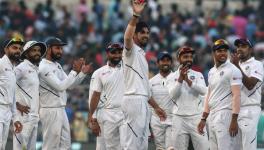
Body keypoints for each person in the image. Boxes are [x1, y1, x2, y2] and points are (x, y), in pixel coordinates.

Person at [122, 1, 165, 149]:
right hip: (133, 101)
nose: (146, 36)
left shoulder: (141, 55)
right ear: (135, 34)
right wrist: (136, 15)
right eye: (142, 33)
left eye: (147, 33)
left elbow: (145, 89)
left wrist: (156, 107)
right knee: (132, 145)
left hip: (143, 102)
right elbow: (126, 38)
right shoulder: (130, 51)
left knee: (142, 144)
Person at [38, 37, 92, 150]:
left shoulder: (57, 65)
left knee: (65, 145)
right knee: (50, 146)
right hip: (50, 110)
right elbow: (60, 86)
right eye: (57, 48)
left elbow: (70, 85)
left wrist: (82, 74)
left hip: (60, 109)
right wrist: (74, 71)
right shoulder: (43, 67)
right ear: (48, 49)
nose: (60, 51)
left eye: (61, 49)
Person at [197, 39, 242, 150]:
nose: (223, 53)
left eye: (225, 51)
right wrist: (203, 118)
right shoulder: (211, 71)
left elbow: (237, 95)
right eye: (219, 51)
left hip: (225, 114)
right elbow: (209, 95)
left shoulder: (233, 70)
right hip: (212, 115)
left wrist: (234, 120)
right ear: (213, 53)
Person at [168, 46, 209, 150]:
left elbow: (204, 91)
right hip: (178, 118)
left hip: (196, 118)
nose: (189, 59)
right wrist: (181, 79)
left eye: (191, 57)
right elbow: (173, 95)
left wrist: (189, 81)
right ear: (178, 59)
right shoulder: (171, 77)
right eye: (185, 56)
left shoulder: (198, 74)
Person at [88, 43, 125, 150]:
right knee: (106, 147)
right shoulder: (99, 73)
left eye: (119, 52)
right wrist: (93, 119)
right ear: (107, 54)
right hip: (106, 113)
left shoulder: (129, 69)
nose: (117, 55)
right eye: (113, 52)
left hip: (126, 113)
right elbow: (93, 96)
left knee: (127, 146)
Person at [231, 38, 263, 150]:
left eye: (243, 46)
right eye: (238, 46)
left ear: (250, 49)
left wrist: (236, 67)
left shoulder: (257, 64)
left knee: (248, 147)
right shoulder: (233, 66)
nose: (239, 49)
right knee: (236, 147)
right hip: (235, 111)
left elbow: (250, 85)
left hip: (250, 109)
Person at [13, 40, 46, 150]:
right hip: (23, 117)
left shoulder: (35, 69)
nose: (38, 53)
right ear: (26, 53)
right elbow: (5, 86)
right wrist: (17, 105)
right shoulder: (21, 68)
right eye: (34, 51)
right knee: (19, 148)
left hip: (34, 117)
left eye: (39, 51)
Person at [0, 37, 23, 149]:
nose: (18, 50)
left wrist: (16, 118)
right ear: (6, 50)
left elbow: (13, 97)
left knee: (2, 146)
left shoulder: (13, 68)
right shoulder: (0, 63)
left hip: (7, 111)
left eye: (19, 48)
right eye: (14, 48)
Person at [149, 51, 174, 150]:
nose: (165, 63)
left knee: (171, 147)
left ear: (171, 63)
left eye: (168, 60)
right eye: (162, 61)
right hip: (156, 120)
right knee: (160, 148)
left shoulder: (177, 78)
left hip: (173, 119)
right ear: (157, 63)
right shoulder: (151, 82)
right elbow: (148, 104)